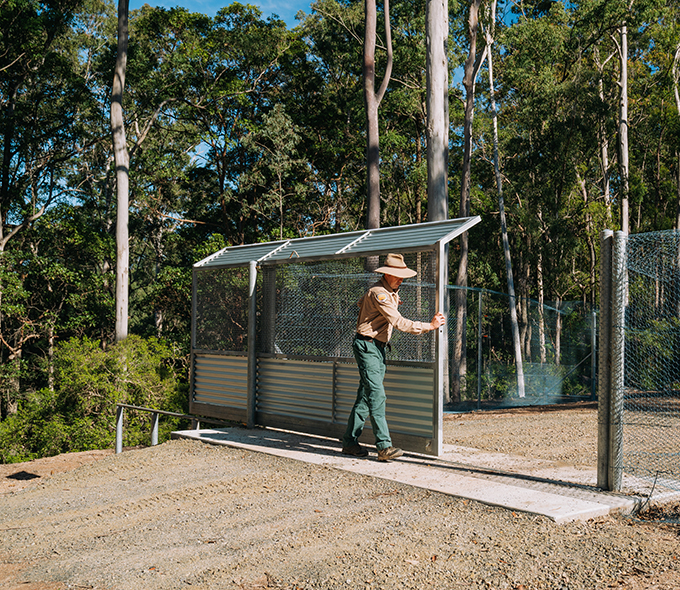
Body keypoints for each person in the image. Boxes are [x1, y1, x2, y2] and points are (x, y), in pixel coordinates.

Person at [341, 253, 445, 461]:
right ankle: (384, 447)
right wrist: (430, 326)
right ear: (387, 274)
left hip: (377, 348)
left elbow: (362, 304)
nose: (401, 279)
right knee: (377, 395)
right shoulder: (379, 292)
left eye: (402, 276)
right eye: (397, 275)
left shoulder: (388, 292)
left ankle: (350, 443)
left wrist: (392, 300)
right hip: (367, 346)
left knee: (365, 397)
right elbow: (399, 323)